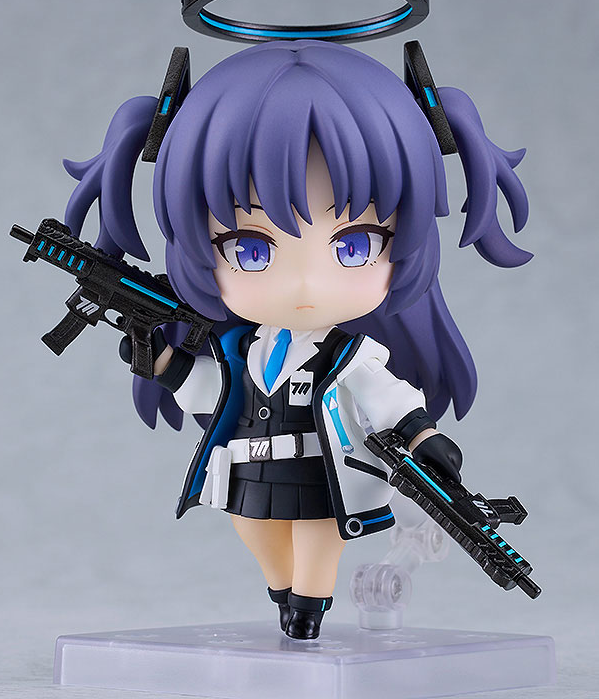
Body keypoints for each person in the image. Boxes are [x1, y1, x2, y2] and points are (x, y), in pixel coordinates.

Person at [63, 40, 531, 639]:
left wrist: (425, 436)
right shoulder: (243, 349)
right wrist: (161, 363)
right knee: (251, 527)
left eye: (354, 245)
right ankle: (284, 594)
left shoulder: (351, 356)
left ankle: (307, 611)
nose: (307, 283)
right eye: (250, 249)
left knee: (317, 537)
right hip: (252, 464)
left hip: (323, 471)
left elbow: (390, 399)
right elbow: (212, 388)